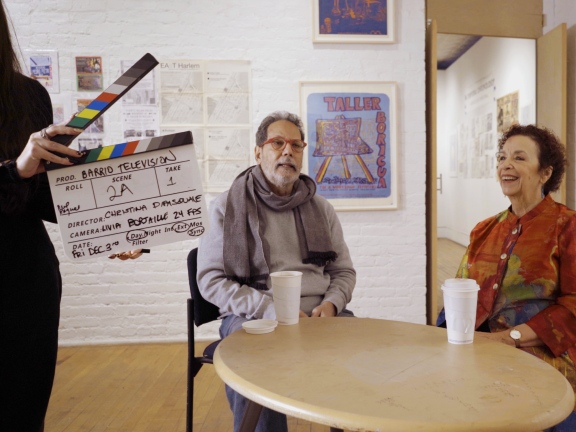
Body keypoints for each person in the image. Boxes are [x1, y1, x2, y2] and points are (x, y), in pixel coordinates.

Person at [196, 111, 356, 432]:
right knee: (250, 357)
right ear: (258, 152)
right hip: (253, 316)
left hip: (318, 316)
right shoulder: (226, 207)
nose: (288, 152)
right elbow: (210, 281)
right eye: (278, 143)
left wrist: (332, 304)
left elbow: (343, 272)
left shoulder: (321, 208)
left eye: (296, 145)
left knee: (359, 350)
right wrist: (272, 310)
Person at [437, 124, 575, 431]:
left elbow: (573, 308)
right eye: (502, 157)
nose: (506, 165)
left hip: (542, 358)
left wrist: (507, 339)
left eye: (519, 157)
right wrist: (445, 336)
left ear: (545, 173)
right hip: (479, 352)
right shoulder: (484, 229)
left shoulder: (567, 226)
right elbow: (460, 291)